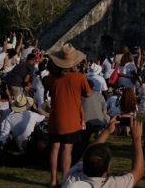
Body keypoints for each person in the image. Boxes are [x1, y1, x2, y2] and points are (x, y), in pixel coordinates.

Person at [47, 44, 91, 187]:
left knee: (55, 148)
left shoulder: (52, 78)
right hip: (71, 119)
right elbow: (88, 93)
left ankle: (53, 180)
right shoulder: (79, 77)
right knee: (67, 149)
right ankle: (65, 179)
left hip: (55, 117)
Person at [62, 115, 144, 188]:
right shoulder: (113, 184)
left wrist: (107, 131)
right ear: (106, 174)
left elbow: (86, 154)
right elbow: (138, 172)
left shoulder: (71, 179)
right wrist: (137, 139)